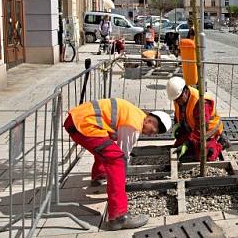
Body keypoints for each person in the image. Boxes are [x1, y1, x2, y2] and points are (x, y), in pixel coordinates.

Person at [64, 98, 171, 230]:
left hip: (78, 120)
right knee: (116, 159)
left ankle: (100, 175)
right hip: (83, 124)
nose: (151, 135)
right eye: (153, 131)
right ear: (149, 121)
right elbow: (123, 154)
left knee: (108, 148)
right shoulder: (134, 124)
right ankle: (118, 217)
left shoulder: (136, 115)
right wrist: (121, 181)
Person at [166, 76, 225, 162]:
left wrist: (188, 143)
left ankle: (221, 144)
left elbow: (201, 128)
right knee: (177, 147)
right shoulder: (178, 99)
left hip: (208, 131)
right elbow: (178, 114)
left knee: (206, 156)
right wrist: (177, 125)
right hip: (193, 129)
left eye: (178, 99)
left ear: (185, 91)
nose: (177, 102)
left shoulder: (201, 103)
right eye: (175, 100)